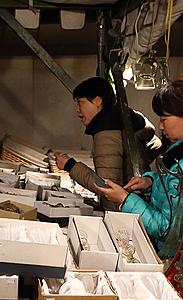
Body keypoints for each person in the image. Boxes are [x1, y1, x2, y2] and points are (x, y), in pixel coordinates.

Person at [97, 76, 183, 249]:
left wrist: (124, 199)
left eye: (164, 119)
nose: (161, 127)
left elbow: (166, 230)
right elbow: (176, 193)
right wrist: (151, 181)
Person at [53, 76, 161, 211]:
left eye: (80, 103)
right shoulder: (122, 120)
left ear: (98, 101)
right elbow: (156, 145)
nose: (77, 110)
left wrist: (70, 165)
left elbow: (107, 187)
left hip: (119, 212)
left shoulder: (106, 132)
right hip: (134, 204)